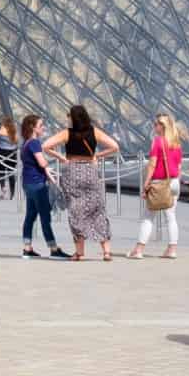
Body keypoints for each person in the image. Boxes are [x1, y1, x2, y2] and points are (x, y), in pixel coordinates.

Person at [42, 105, 119, 261]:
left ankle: (80, 253)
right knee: (97, 210)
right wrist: (97, 156)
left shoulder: (66, 133)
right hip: (91, 171)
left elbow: (46, 146)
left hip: (72, 172)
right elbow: (115, 146)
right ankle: (106, 252)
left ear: (72, 117)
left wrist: (61, 157)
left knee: (76, 211)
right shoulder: (94, 131)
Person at [128, 112, 184, 260]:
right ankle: (172, 249)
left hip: (159, 183)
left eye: (155, 124)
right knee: (171, 217)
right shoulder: (176, 142)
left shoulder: (157, 141)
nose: (154, 127)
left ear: (162, 126)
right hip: (174, 182)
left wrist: (146, 184)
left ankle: (138, 250)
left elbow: (152, 164)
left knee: (148, 216)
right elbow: (179, 166)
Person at [19, 115, 63, 258]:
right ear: (33, 127)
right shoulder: (34, 143)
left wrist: (48, 174)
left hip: (27, 182)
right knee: (45, 216)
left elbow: (34, 164)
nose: (43, 127)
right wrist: (48, 169)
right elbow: (42, 163)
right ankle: (53, 248)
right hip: (37, 184)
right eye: (41, 125)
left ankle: (27, 247)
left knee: (30, 215)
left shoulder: (25, 143)